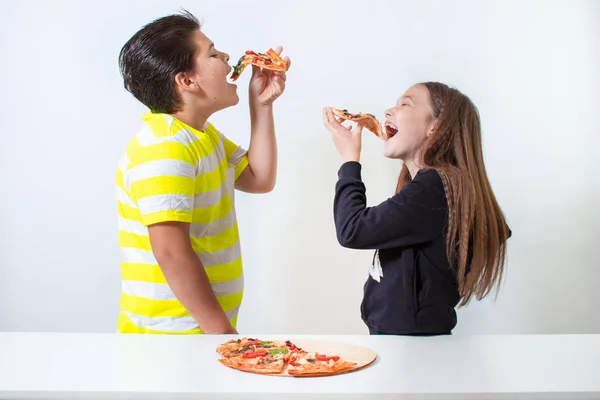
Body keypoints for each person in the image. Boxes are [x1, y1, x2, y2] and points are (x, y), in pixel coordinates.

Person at [115, 10, 290, 334]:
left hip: (197, 332)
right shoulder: (166, 147)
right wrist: (223, 335)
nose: (226, 57)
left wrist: (262, 105)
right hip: (168, 336)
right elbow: (170, 251)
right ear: (187, 80)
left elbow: (259, 178)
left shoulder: (201, 136)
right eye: (212, 53)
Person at [322, 82, 511, 335]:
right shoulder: (436, 188)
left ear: (436, 124)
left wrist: (349, 161)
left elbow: (352, 229)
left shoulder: (435, 187)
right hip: (408, 345)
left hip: (413, 350)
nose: (389, 110)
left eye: (405, 104)